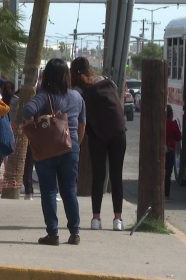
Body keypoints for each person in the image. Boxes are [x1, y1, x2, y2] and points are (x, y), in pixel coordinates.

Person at [23, 58, 86, 245]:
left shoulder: (43, 96)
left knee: (49, 191)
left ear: (47, 76)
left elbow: (27, 110)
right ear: (66, 75)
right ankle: (75, 232)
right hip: (71, 147)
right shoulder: (76, 97)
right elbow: (82, 123)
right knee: (69, 191)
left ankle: (53, 233)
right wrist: (75, 143)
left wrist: (32, 128)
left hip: (47, 149)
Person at [70, 56, 126, 231]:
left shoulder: (80, 91)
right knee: (117, 176)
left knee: (98, 176)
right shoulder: (107, 82)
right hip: (118, 132)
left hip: (98, 135)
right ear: (89, 69)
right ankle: (118, 219)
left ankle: (96, 219)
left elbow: (82, 118)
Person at [165, 104, 182, 199]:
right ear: (171, 114)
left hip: (160, 151)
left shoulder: (160, 123)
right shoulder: (173, 124)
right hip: (170, 151)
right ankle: (166, 194)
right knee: (168, 173)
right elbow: (179, 137)